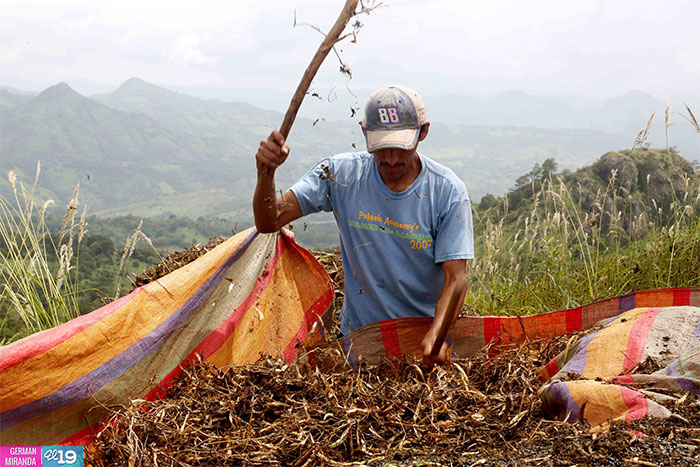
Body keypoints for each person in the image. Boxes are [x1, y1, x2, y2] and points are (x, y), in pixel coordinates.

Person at [253, 85, 474, 368]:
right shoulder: (340, 175)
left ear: (423, 133)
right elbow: (268, 221)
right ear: (363, 132)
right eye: (382, 147)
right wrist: (265, 173)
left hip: (421, 345)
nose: (391, 159)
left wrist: (436, 337)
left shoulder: (447, 192)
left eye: (401, 147)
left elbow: (456, 279)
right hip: (359, 344)